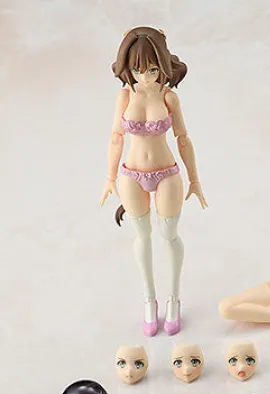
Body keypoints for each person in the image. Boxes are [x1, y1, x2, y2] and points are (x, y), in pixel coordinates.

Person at [100, 26, 207, 336]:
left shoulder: (168, 96)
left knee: (169, 236)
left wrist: (195, 179)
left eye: (152, 69)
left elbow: (183, 138)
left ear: (162, 64)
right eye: (137, 70)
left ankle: (173, 299)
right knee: (142, 237)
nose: (145, 77)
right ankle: (150, 301)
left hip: (167, 175)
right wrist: (109, 177)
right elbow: (116, 137)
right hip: (131, 176)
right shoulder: (124, 96)